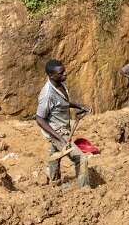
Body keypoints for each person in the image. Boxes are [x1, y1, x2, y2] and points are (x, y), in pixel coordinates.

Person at [36, 59, 91, 188]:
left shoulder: (61, 83)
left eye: (64, 70)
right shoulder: (47, 95)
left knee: (55, 154)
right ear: (51, 75)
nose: (65, 74)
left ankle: (55, 182)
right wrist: (60, 139)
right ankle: (85, 190)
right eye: (61, 73)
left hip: (64, 128)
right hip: (57, 132)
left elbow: (61, 103)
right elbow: (39, 119)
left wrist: (78, 106)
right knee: (81, 158)